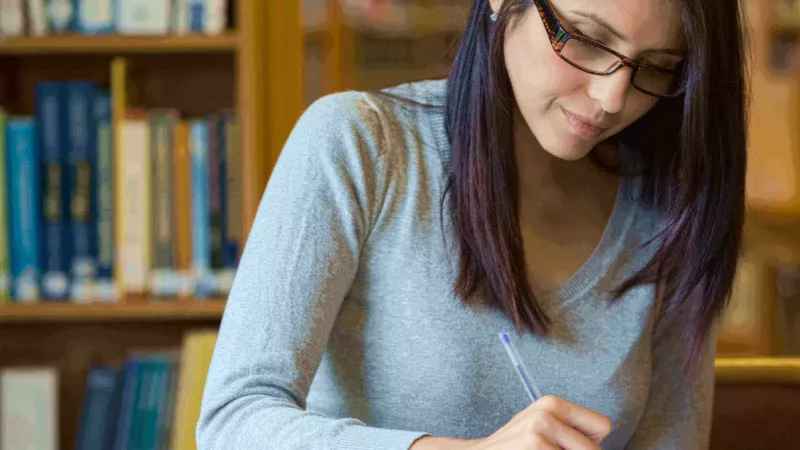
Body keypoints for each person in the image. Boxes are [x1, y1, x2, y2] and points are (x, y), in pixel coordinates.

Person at [196, 0, 748, 448]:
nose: (611, 96)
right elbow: (233, 422)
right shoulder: (358, 145)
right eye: (585, 39)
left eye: (655, 67)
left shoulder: (669, 212)